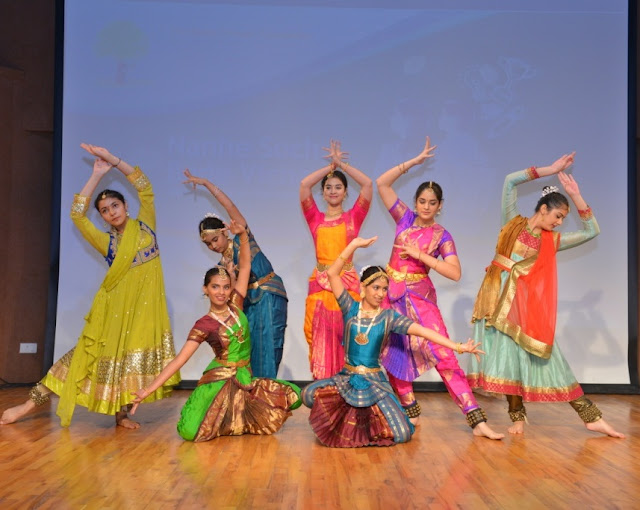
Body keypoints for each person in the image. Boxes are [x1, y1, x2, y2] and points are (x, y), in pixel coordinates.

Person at [0, 144, 180, 429]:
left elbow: (145, 186)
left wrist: (111, 160)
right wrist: (96, 175)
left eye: (115, 206)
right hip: (112, 312)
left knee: (125, 364)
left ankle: (121, 415)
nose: (111, 213)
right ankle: (25, 406)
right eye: (105, 211)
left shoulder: (146, 225)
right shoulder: (106, 242)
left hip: (143, 315)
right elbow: (77, 215)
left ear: (126, 206)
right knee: (80, 360)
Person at [467, 152, 624, 438]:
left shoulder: (552, 242)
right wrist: (549, 169)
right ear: (542, 209)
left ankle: (590, 416)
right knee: (507, 363)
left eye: (564, 217)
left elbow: (592, 230)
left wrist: (576, 196)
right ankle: (517, 418)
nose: (561, 222)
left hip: (523, 307)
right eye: (558, 216)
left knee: (552, 360)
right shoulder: (512, 222)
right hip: (495, 300)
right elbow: (509, 181)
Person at [302, 236, 485, 447]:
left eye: (384, 289)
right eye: (376, 288)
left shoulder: (389, 318)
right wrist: (353, 246)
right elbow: (332, 273)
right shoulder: (349, 308)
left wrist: (458, 347)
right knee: (309, 395)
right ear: (363, 288)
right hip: (347, 378)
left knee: (402, 433)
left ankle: (366, 423)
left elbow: (424, 332)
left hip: (375, 383)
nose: (381, 294)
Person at [376, 137, 503, 439]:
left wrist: (421, 256)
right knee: (392, 356)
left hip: (421, 299)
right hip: (390, 297)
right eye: (422, 201)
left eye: (433, 203)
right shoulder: (403, 219)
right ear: (415, 202)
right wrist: (414, 162)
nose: (426, 207)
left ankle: (477, 421)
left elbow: (455, 273)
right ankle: (410, 413)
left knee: (445, 356)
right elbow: (382, 184)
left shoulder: (442, 236)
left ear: (440, 206)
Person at [131, 220, 301, 442]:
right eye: (215, 287)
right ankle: (220, 416)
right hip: (220, 381)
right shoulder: (204, 324)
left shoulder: (237, 305)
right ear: (206, 289)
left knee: (293, 395)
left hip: (245, 379)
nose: (221, 292)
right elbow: (179, 361)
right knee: (191, 432)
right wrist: (147, 390)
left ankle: (236, 418)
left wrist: (242, 235)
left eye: (225, 286)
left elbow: (246, 265)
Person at [183, 170, 287, 379]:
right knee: (251, 347)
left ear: (224, 231)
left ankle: (267, 394)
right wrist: (229, 276)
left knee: (269, 344)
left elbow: (229, 207)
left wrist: (206, 183)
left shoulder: (242, 239)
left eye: (214, 240)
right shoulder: (223, 265)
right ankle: (252, 394)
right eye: (208, 244)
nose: (212, 246)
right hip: (248, 303)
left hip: (268, 294)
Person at [300, 140, 373, 379]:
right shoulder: (315, 219)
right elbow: (303, 185)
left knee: (347, 336)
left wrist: (341, 164)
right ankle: (324, 392)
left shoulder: (353, 218)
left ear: (345, 191)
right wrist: (329, 167)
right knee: (317, 336)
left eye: (338, 187)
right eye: (328, 187)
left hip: (347, 284)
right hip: (320, 285)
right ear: (322, 193)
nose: (333, 191)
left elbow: (368, 184)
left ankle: (347, 393)